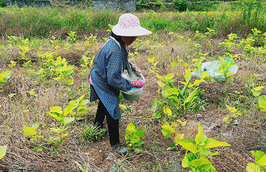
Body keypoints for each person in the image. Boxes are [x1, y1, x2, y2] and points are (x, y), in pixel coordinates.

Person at [89, 13, 152, 155]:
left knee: (104, 105)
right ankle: (115, 144)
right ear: (121, 33)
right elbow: (113, 79)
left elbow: (123, 58)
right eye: (131, 35)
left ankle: (97, 127)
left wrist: (132, 65)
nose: (134, 38)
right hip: (102, 81)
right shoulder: (114, 50)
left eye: (135, 35)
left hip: (100, 76)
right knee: (113, 111)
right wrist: (130, 85)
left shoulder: (117, 42)